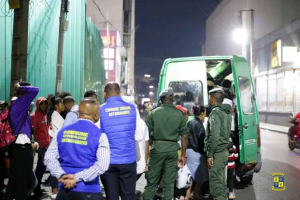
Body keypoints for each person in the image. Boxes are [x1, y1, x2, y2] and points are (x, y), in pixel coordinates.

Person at [44, 98, 110, 200]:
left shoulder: (61, 132)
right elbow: (102, 165)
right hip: (89, 191)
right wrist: (76, 178)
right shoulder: (100, 135)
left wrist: (62, 176)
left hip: (64, 191)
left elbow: (49, 158)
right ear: (96, 114)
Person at [143, 87, 189, 200]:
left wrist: (145, 160)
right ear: (172, 98)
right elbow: (184, 136)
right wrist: (182, 155)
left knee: (151, 184)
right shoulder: (179, 114)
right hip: (173, 151)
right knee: (169, 185)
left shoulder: (153, 113)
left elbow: (146, 137)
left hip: (157, 149)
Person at [100, 83, 143, 200]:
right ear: (120, 93)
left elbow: (98, 136)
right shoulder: (132, 109)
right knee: (128, 196)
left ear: (104, 93)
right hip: (128, 160)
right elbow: (139, 135)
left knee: (111, 196)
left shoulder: (101, 110)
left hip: (108, 161)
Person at [5, 81, 39, 200]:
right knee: (25, 180)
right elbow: (35, 90)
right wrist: (21, 87)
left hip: (18, 146)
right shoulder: (20, 103)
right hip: (21, 147)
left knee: (14, 178)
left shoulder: (18, 106)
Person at [204, 88, 231, 200]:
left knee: (216, 186)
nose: (209, 100)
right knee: (221, 183)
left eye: (210, 98)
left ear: (213, 99)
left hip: (217, 153)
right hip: (224, 151)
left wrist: (210, 154)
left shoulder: (215, 113)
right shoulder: (226, 112)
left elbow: (214, 136)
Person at [185, 105, 209, 200]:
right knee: (200, 175)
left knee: (190, 174)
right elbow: (201, 140)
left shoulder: (190, 122)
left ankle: (189, 194)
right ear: (202, 113)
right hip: (197, 152)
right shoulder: (199, 125)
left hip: (189, 150)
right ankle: (193, 193)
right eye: (205, 112)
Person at [30, 97, 50, 195]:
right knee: (41, 164)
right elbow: (33, 131)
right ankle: (35, 187)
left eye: (45, 104)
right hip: (40, 145)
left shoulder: (47, 115)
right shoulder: (34, 116)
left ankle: (37, 186)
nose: (43, 105)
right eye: (41, 104)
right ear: (38, 105)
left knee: (42, 166)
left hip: (47, 144)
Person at [49, 97, 65, 199]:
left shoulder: (57, 115)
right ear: (56, 106)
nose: (63, 105)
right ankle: (54, 191)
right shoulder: (55, 116)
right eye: (61, 104)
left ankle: (56, 190)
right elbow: (58, 131)